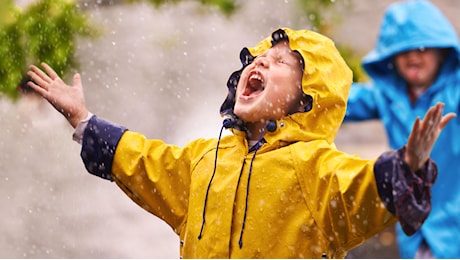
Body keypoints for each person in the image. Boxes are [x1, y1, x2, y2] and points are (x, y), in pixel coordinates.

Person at [27, 28, 454, 258]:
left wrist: (408, 167)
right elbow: (144, 160)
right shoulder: (205, 159)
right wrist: (83, 120)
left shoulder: (314, 168)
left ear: (309, 100)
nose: (262, 60)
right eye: (259, 57)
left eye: (284, 62)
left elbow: (361, 188)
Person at [344, 0, 460, 258]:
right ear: (390, 56)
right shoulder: (387, 96)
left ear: (441, 52)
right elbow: (341, 102)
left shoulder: (456, 90)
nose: (412, 55)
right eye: (402, 49)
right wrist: (294, 96)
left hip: (454, 219)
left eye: (422, 47)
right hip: (413, 224)